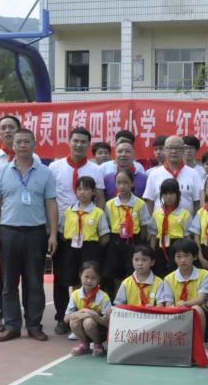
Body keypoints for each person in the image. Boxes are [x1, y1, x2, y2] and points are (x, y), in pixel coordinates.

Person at [0, 128, 58, 342]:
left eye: (27, 141)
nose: (22, 145)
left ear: (34, 144)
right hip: (8, 232)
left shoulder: (45, 172)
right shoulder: (1, 172)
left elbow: (51, 204)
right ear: (13, 145)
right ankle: (11, 325)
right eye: (19, 142)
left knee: (34, 282)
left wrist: (53, 234)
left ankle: (34, 325)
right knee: (8, 282)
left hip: (36, 233)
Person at [0, 115, 40, 333]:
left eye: (11, 127)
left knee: (32, 278)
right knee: (6, 277)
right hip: (5, 227)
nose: (7, 131)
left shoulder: (35, 159)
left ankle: (32, 322)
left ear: (18, 131)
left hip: (31, 227)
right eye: (3, 128)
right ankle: (7, 317)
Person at [49, 127, 106, 334]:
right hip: (64, 231)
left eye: (83, 142)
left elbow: (100, 199)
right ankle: (61, 317)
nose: (79, 145)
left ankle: (84, 318)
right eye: (76, 141)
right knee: (62, 277)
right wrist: (52, 232)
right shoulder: (54, 167)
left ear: (89, 145)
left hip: (88, 234)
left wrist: (97, 226)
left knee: (88, 277)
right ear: (69, 142)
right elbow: (50, 199)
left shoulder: (96, 169)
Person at [59, 176, 110, 325]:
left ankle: (91, 316)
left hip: (90, 249)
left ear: (93, 192)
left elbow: (105, 236)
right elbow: (62, 232)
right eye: (79, 189)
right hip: (71, 249)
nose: (82, 192)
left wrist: (93, 248)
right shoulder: (69, 211)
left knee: (90, 279)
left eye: (86, 189)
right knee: (74, 280)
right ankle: (75, 317)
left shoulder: (98, 212)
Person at [104, 169, 154, 296]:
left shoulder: (140, 204)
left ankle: (132, 299)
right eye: (119, 182)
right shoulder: (110, 204)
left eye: (125, 182)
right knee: (116, 274)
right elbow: (108, 225)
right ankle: (118, 300)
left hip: (134, 241)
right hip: (116, 241)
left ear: (132, 183)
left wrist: (140, 243)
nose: (122, 186)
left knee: (132, 272)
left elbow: (143, 227)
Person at [163, 238, 208, 343]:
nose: (182, 260)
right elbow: (168, 303)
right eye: (178, 256)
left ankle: (201, 345)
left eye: (186, 256)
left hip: (201, 313)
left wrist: (185, 304)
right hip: (177, 312)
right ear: (174, 258)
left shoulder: (204, 274)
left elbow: (201, 299)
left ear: (194, 257)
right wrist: (175, 308)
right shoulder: (168, 279)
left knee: (196, 308)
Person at [143, 135, 204, 214]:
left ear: (183, 150)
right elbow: (149, 201)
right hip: (160, 221)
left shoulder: (194, 174)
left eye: (177, 148)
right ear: (165, 150)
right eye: (170, 148)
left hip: (187, 222)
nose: (174, 151)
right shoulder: (154, 174)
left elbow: (197, 202)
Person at [64, 261, 112, 357]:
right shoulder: (75, 294)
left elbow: (108, 323)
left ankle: (98, 344)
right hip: (82, 329)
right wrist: (82, 312)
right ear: (80, 275)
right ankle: (84, 345)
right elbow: (66, 319)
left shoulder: (103, 297)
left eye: (93, 278)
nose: (89, 280)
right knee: (73, 320)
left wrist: (93, 315)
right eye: (86, 277)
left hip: (100, 330)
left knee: (88, 322)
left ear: (98, 279)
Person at [151, 179, 192, 277]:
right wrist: (152, 252)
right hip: (160, 247)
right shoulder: (156, 214)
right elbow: (153, 235)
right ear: (161, 196)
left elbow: (188, 237)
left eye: (172, 193)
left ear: (178, 195)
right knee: (160, 274)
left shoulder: (185, 214)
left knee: (176, 274)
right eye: (165, 194)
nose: (169, 197)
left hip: (178, 247)